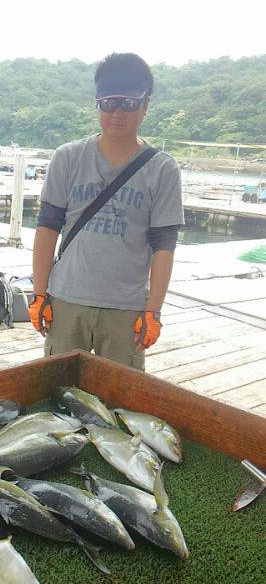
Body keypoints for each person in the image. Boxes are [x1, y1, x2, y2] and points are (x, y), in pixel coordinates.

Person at [28, 52, 184, 370]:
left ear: (145, 105)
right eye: (108, 103)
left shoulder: (163, 169)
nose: (118, 113)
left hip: (126, 310)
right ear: (98, 103)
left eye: (129, 103)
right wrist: (39, 293)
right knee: (58, 394)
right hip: (67, 300)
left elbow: (164, 246)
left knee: (120, 403)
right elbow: (47, 227)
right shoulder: (68, 158)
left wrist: (153, 311)